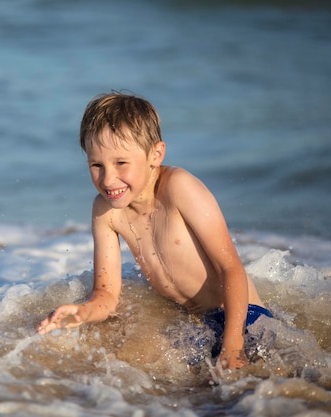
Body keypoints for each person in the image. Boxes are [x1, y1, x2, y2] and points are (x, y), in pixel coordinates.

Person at [37, 92, 272, 369]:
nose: (108, 179)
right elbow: (107, 294)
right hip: (196, 324)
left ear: (156, 154)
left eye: (121, 163)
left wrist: (233, 345)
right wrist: (83, 312)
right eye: (96, 165)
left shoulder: (179, 187)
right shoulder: (105, 211)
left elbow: (230, 268)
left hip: (244, 319)